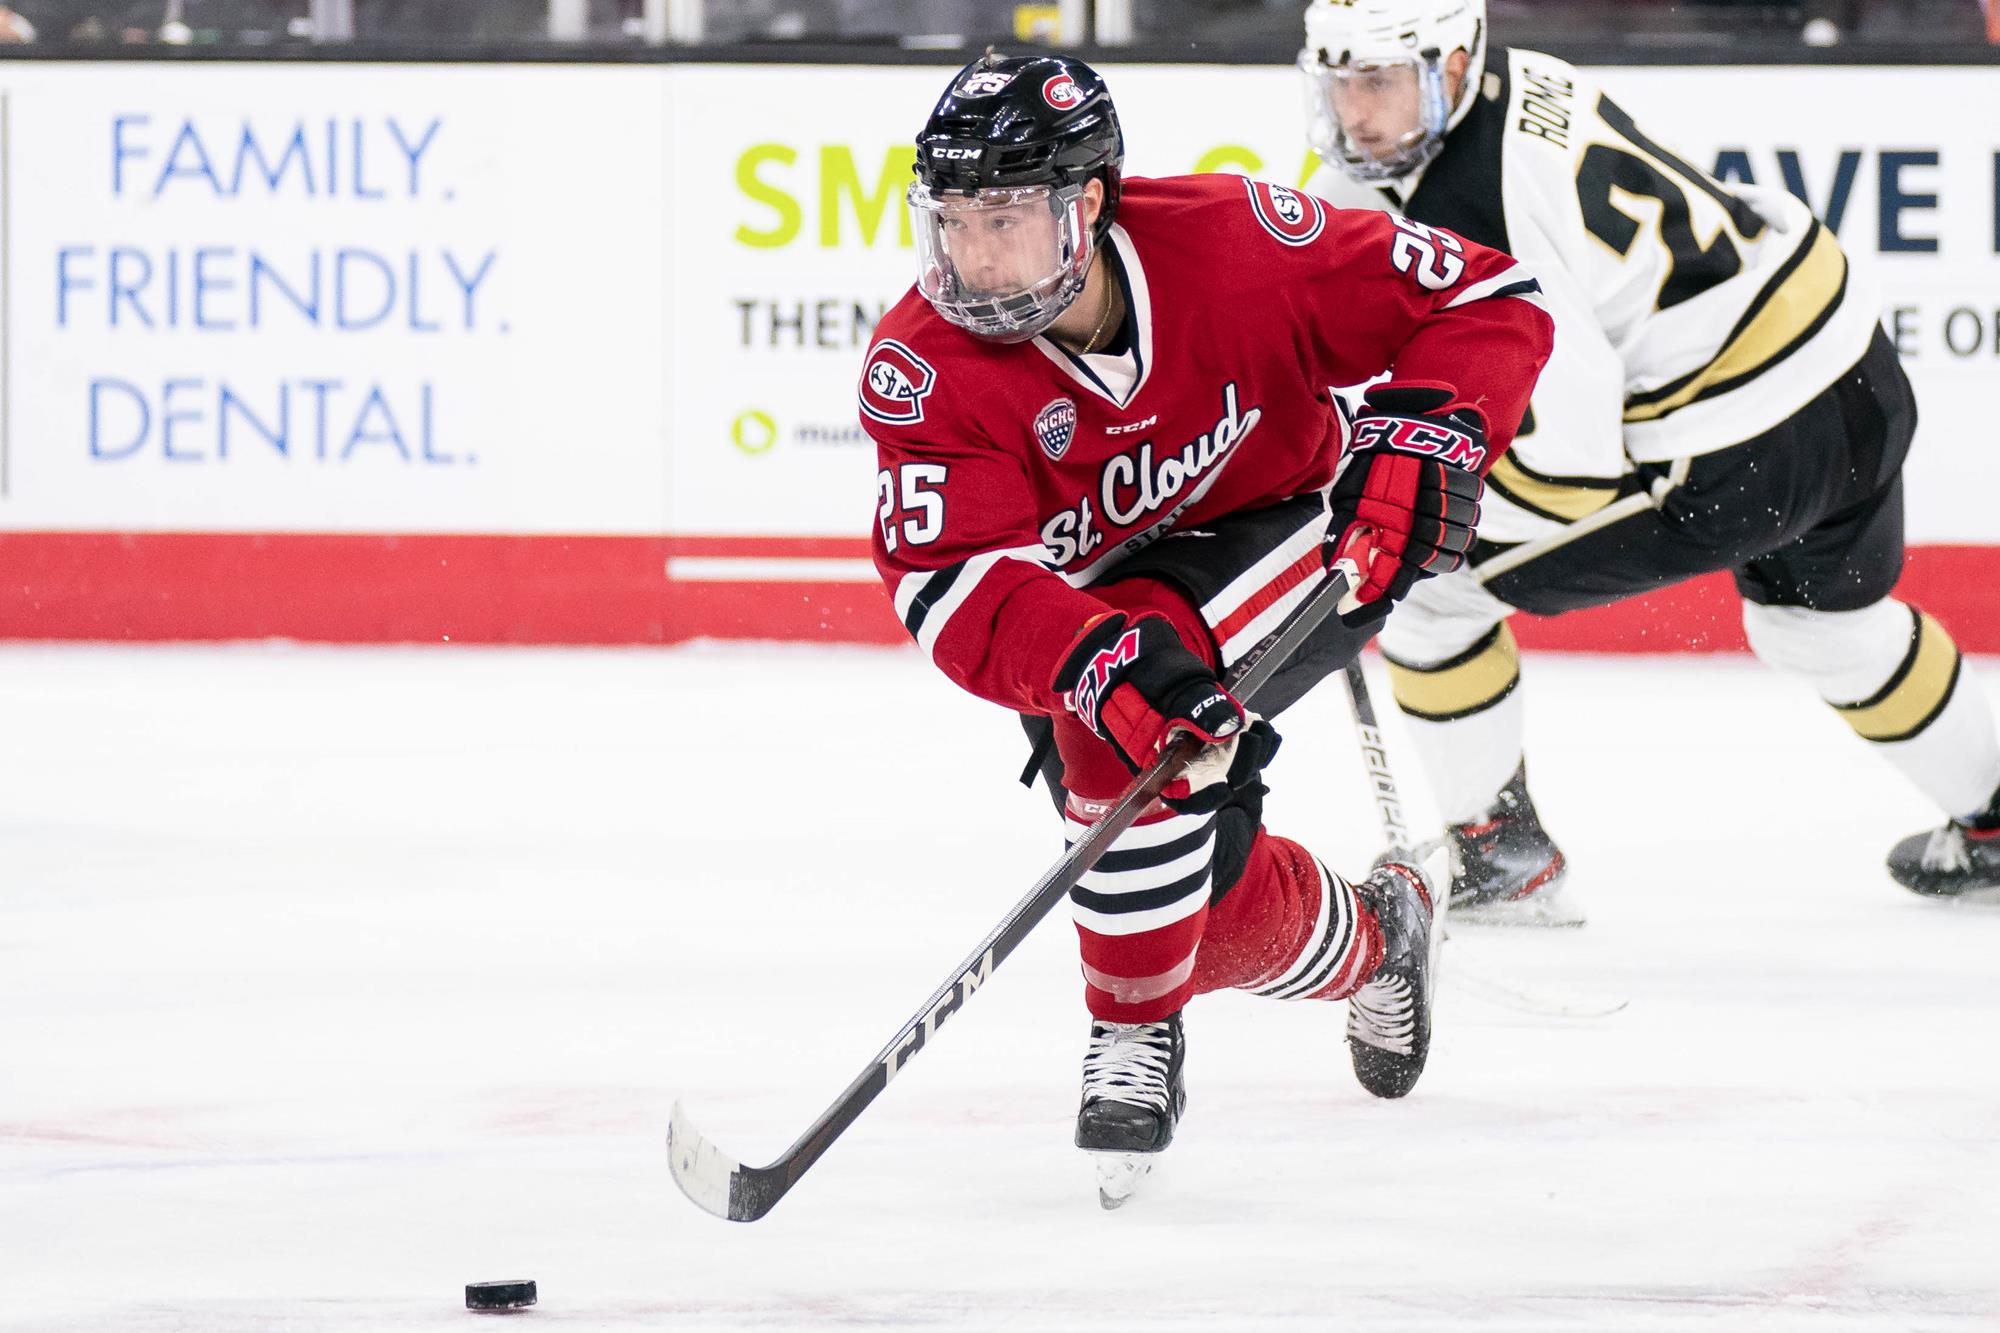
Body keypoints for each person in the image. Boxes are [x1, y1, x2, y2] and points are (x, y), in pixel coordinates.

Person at [860, 52, 1553, 1202]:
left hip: (1305, 535)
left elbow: (1483, 295)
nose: (972, 258)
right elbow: (952, 582)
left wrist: (1428, 432)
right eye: (952, 222)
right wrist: (1087, 658)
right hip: (1097, 610)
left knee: (1115, 723)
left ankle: (1129, 1033)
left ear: (1087, 203)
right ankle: (1379, 939)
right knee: (1198, 910)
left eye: (1003, 220)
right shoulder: (921, 367)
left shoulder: (1234, 244)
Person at [1295, 0, 2000, 923]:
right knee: (1823, 630)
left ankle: (1500, 856)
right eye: (1338, 81)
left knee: (1433, 588)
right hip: (1849, 368)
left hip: (1743, 445)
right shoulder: (1520, 77)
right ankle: (1995, 816)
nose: (1354, 112)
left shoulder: (1482, 210)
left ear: (1455, 65)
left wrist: (1404, 503)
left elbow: (1571, 466)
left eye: (1380, 81)